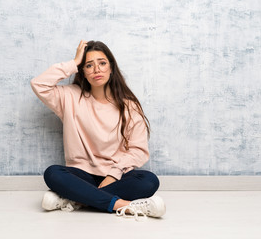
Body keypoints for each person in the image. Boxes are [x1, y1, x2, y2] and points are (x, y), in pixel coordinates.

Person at [30, 40, 166, 220]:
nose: (96, 69)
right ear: (83, 72)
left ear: (111, 68)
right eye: (88, 65)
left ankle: (76, 199)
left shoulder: (129, 107)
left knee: (149, 181)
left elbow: (137, 150)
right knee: (53, 173)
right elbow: (39, 84)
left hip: (116, 176)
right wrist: (73, 62)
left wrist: (113, 175)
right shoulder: (69, 97)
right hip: (81, 175)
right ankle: (124, 206)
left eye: (102, 63)